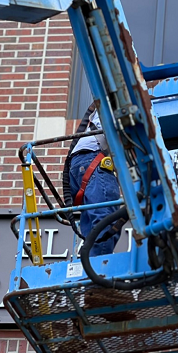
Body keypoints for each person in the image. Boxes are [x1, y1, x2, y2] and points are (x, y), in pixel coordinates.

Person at [64, 103, 121, 256]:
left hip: (80, 163)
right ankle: (98, 266)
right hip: (94, 158)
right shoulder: (119, 98)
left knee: (92, 222)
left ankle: (89, 262)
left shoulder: (104, 102)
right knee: (107, 219)